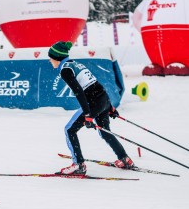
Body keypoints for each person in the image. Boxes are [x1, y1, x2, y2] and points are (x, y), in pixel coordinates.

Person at [48, 41, 134, 175]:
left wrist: (88, 114)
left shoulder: (65, 69)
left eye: (51, 57)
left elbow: (79, 92)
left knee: (70, 129)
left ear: (57, 57)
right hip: (102, 100)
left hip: (92, 103)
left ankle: (79, 165)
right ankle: (124, 158)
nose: (50, 60)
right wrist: (109, 106)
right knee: (105, 132)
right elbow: (95, 84)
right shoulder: (75, 64)